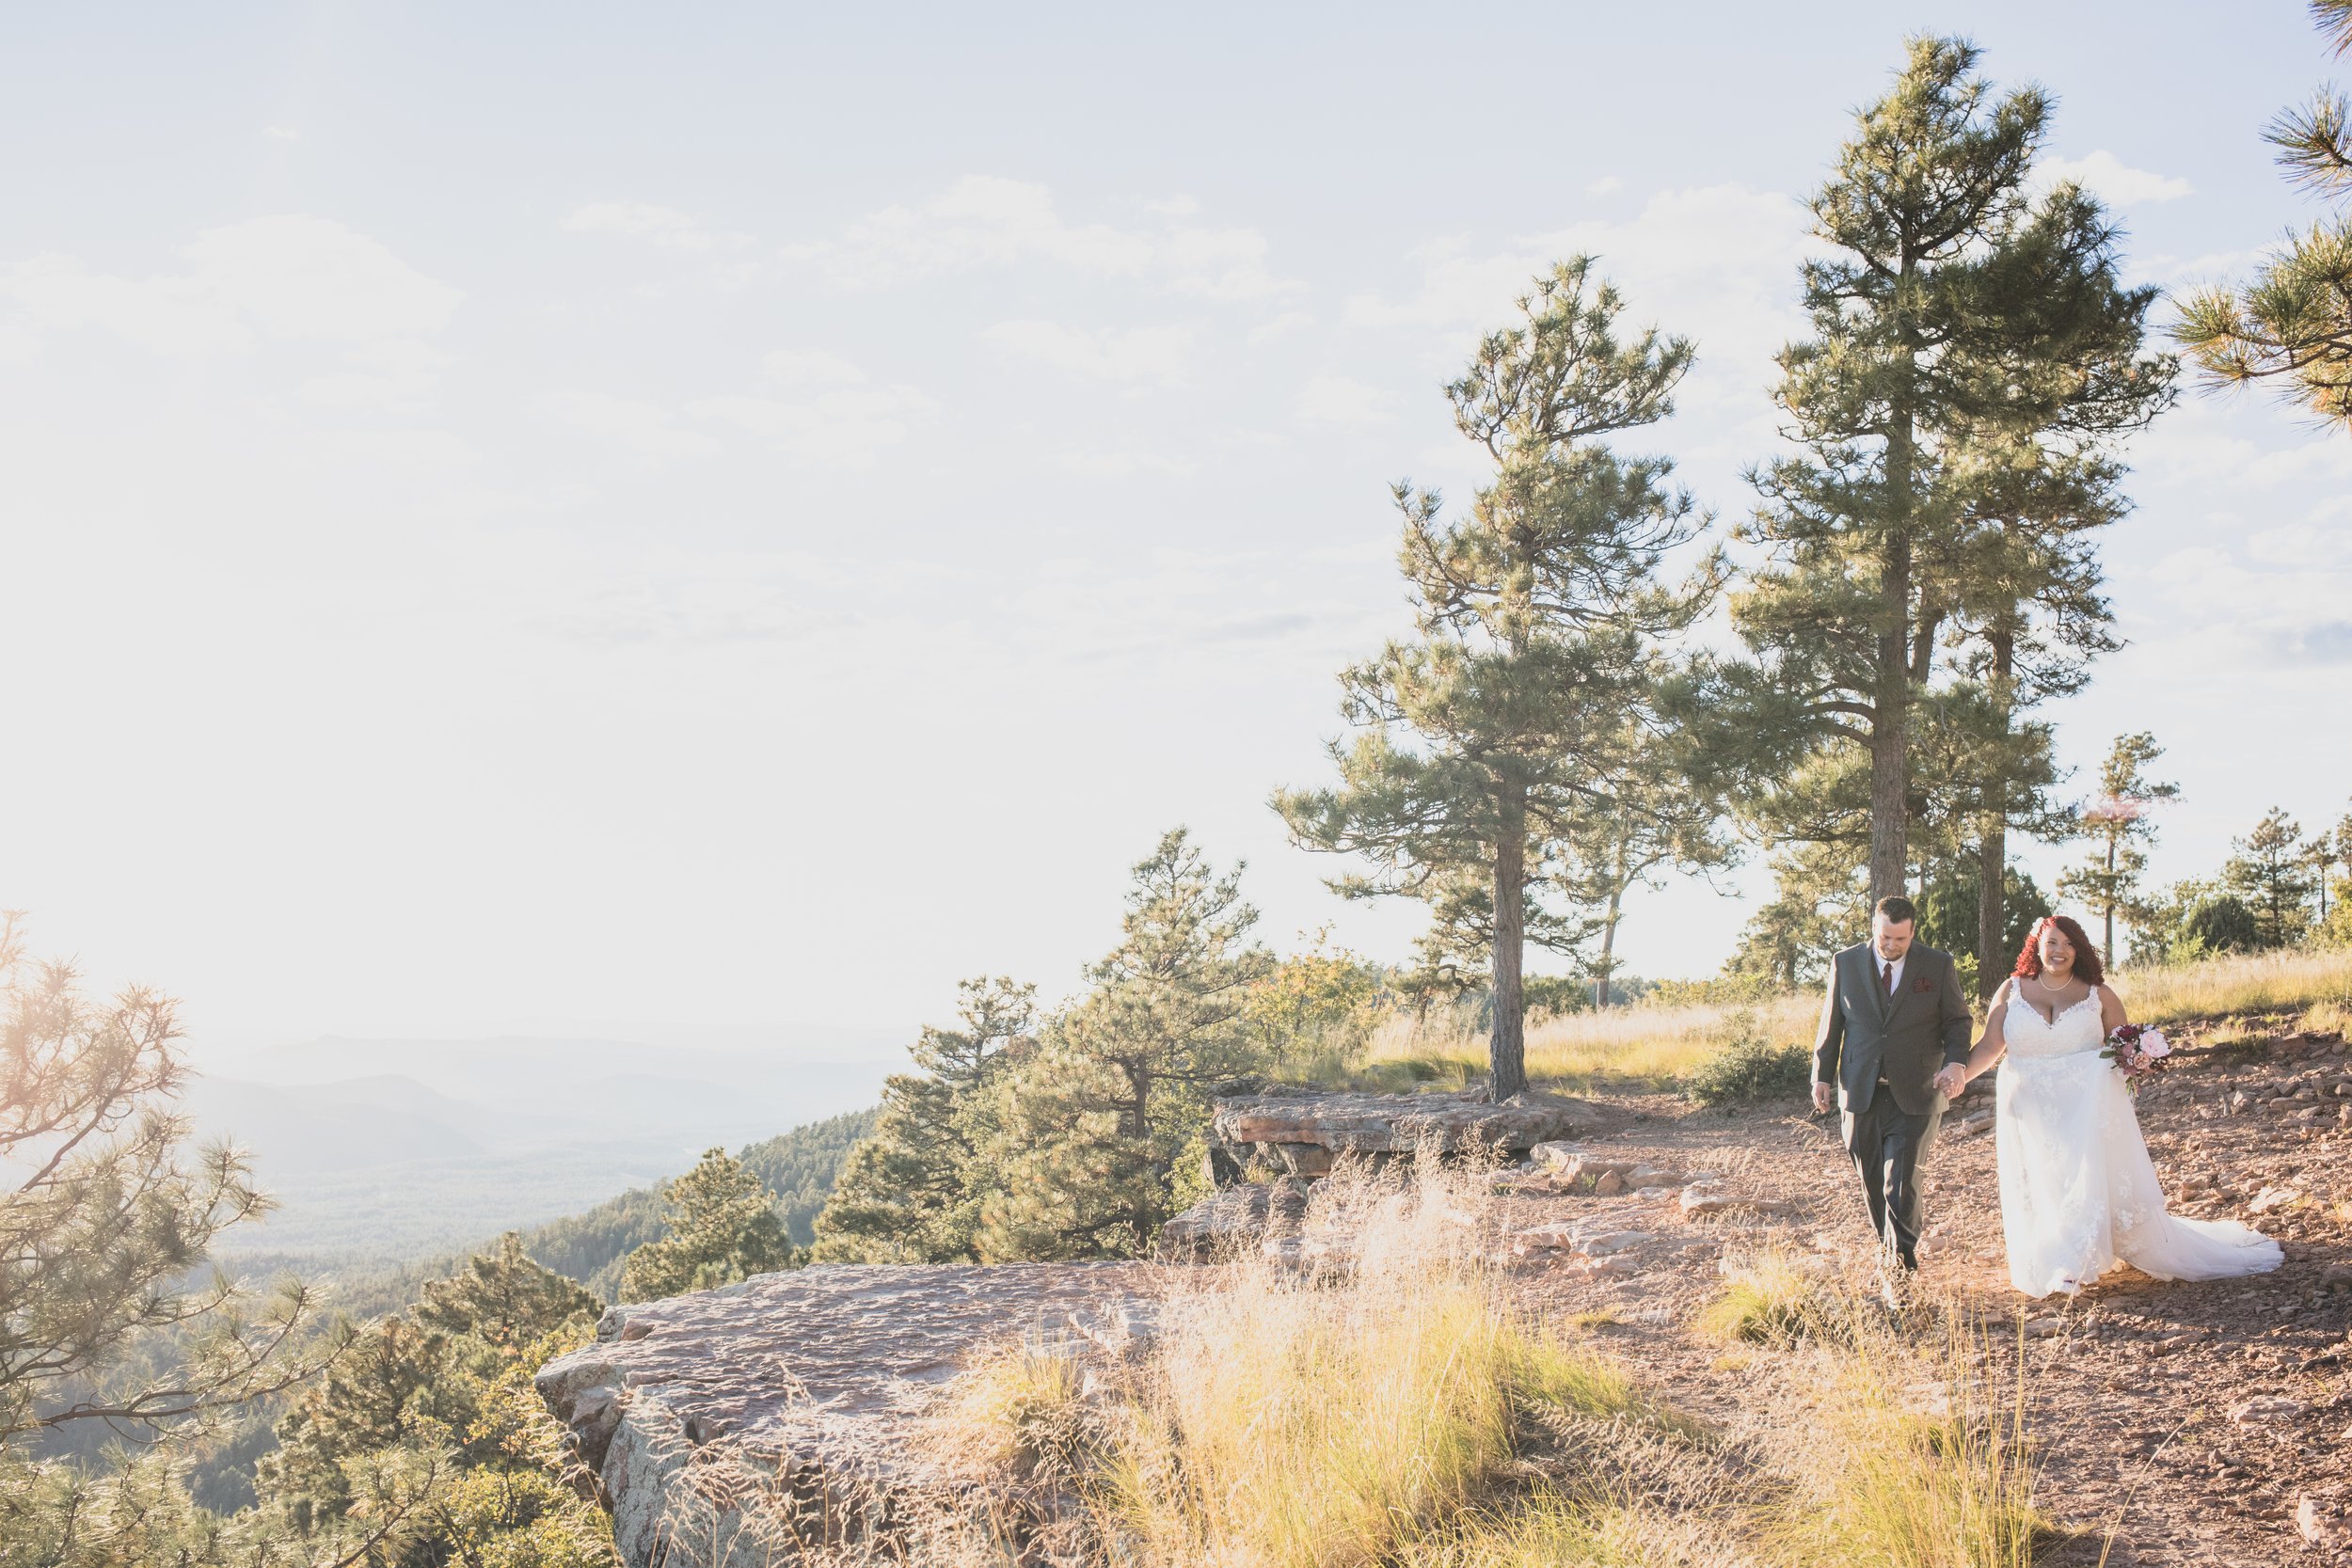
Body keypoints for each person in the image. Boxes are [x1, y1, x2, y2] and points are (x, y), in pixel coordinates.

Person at [1944, 913, 2281, 1298]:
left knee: (2081, 1177)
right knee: (2041, 1179)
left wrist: (2138, 1059)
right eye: (2052, 942)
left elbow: (2122, 1047)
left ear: (2080, 950)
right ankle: (2052, 1256)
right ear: (2037, 943)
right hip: (2030, 1105)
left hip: (2086, 1107)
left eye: (2069, 944)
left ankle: (2072, 1264)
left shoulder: (2098, 995)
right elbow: (1990, 1046)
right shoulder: (2011, 990)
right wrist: (1958, 1076)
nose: (2059, 951)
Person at [1811, 895, 1973, 1299]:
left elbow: (1957, 1021)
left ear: (1913, 932)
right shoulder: (1845, 962)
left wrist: (1956, 1064)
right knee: (1871, 1184)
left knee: (1900, 1184)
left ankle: (1899, 1273)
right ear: (1874, 927)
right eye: (1885, 936)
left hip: (1917, 1091)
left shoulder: (1937, 965)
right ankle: (1892, 1252)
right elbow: (1831, 1022)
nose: (1891, 945)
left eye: (1900, 939)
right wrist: (1822, 1076)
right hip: (1860, 1090)